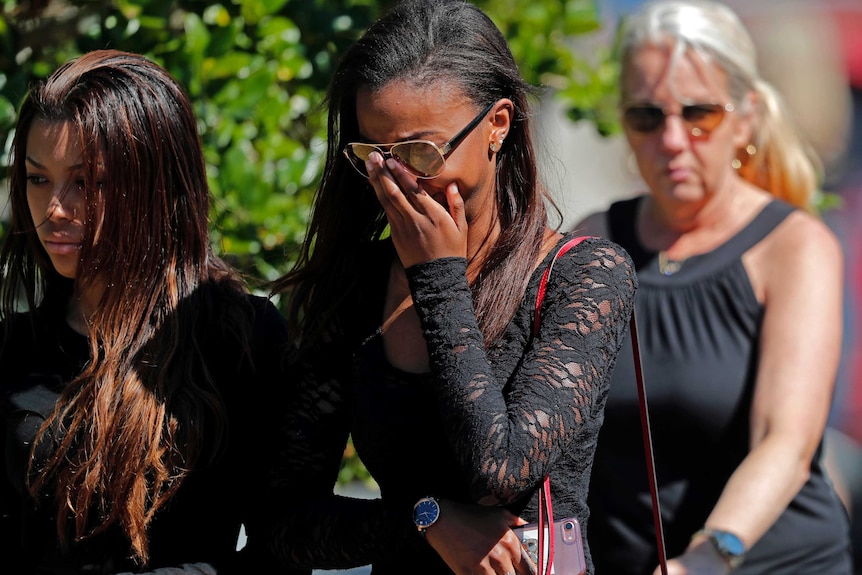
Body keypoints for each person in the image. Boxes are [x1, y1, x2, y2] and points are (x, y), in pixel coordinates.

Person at [264, 1, 637, 574]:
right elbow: (285, 522)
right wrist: (427, 520)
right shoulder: (357, 287)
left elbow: (499, 471)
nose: (399, 180)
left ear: (498, 125)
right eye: (376, 155)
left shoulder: (584, 276)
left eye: (420, 152)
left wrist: (438, 278)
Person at [576, 1, 853, 573]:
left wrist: (706, 559)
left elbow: (786, 440)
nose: (673, 139)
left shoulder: (795, 246)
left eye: (699, 113)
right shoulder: (594, 241)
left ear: (746, 119)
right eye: (647, 117)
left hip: (767, 562)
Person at [0, 50, 295, 574]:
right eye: (37, 178)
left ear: (156, 186)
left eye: (88, 182)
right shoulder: (12, 349)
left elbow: (283, 551)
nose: (55, 210)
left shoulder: (241, 339)